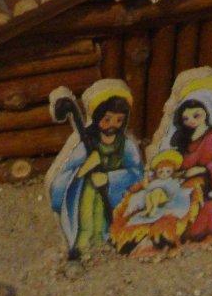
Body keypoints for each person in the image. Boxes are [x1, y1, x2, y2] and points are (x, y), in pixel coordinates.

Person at [47, 79, 143, 257]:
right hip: (86, 193)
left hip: (113, 195)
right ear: (98, 118)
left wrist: (110, 178)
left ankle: (108, 244)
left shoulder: (126, 145)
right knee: (86, 221)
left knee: (104, 223)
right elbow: (64, 174)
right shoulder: (87, 144)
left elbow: (137, 174)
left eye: (119, 120)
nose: (113, 125)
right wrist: (84, 168)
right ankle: (81, 249)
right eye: (107, 119)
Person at [156, 70, 212, 242]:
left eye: (196, 115)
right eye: (186, 118)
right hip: (181, 184)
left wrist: (203, 169)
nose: (191, 121)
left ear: (207, 112)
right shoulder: (183, 139)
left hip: (206, 189)